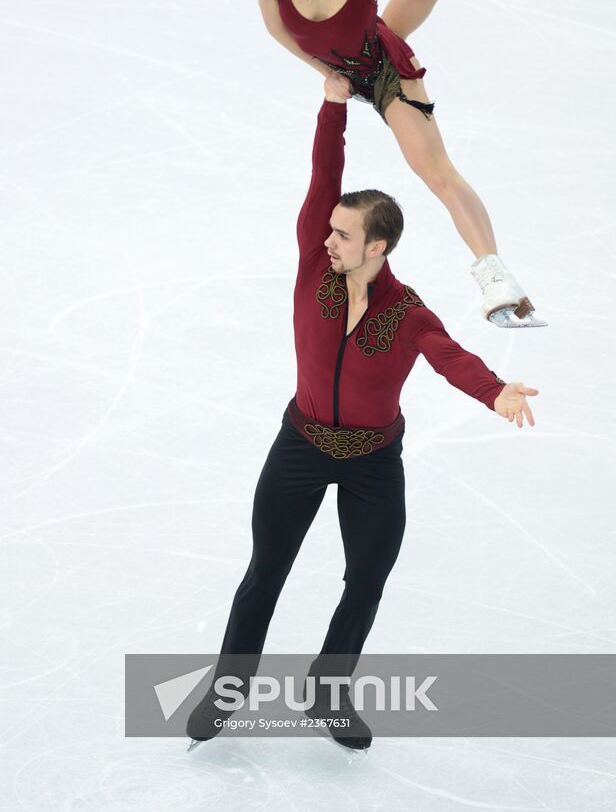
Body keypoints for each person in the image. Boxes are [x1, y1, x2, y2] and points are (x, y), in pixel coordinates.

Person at [186, 77, 539, 753]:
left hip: (375, 460)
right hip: (300, 445)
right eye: (331, 230)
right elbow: (325, 176)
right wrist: (332, 103)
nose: (329, 240)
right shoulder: (312, 270)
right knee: (266, 570)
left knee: (368, 577)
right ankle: (228, 690)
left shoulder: (407, 313)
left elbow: (448, 353)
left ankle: (330, 687)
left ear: (379, 247)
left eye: (345, 235)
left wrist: (495, 391)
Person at [257, 0, 546, 329]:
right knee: (380, 24)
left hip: (387, 72)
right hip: (355, 52)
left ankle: (496, 278)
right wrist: (327, 74)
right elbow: (278, 31)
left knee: (435, 172)